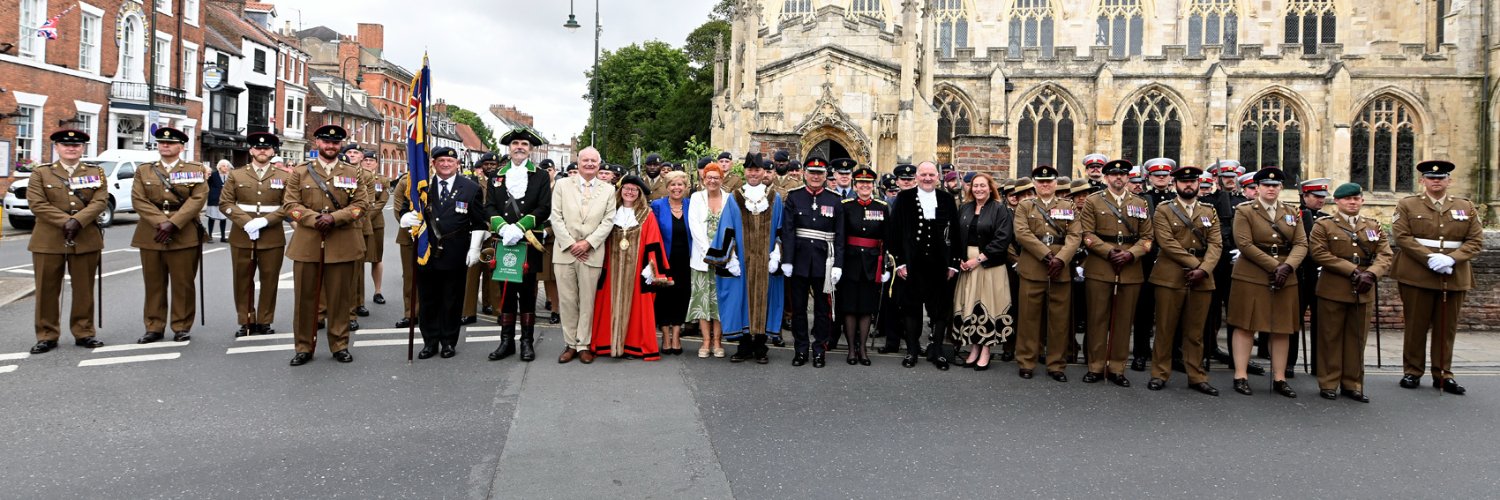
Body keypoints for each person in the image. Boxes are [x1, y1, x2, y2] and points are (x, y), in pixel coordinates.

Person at [283, 124, 372, 366]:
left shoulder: (354, 173)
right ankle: (303, 346)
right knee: (304, 299)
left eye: (335, 142)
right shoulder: (300, 172)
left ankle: (339, 344)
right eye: (325, 142)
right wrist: (314, 219)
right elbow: (290, 204)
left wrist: (335, 218)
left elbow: (361, 204)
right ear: (317, 144)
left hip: (342, 242)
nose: (330, 146)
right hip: (307, 243)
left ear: (340, 145)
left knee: (340, 299)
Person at [1392, 160, 1483, 395]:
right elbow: (1402, 236)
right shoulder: (1408, 205)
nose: (1436, 181)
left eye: (1441, 178)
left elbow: (1475, 241)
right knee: (1415, 325)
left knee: (1447, 328)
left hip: (1453, 274)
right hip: (1417, 273)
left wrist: (1452, 259)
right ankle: (1412, 371)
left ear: (1448, 181)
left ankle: (1443, 374)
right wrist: (1430, 257)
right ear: (1422, 181)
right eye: (1431, 178)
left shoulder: (1465, 206)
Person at [399, 147, 487, 359]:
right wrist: (405, 219)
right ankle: (429, 342)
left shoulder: (471, 188)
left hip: (455, 250)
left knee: (452, 299)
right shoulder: (420, 186)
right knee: (428, 299)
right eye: (441, 161)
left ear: (458, 164)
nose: (446, 164)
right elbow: (404, 209)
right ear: (433, 164)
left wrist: (475, 248)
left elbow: (478, 222)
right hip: (426, 250)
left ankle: (448, 341)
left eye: (450, 160)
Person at [26, 129, 108, 354]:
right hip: (49, 239)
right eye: (65, 144)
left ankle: (84, 332)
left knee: (84, 289)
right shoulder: (41, 173)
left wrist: (78, 221)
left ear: (83, 148)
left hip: (85, 238)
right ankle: (46, 335)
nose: (71, 148)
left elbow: (100, 201)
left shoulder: (95, 172)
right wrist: (66, 221)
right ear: (57, 148)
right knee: (47, 290)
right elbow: (37, 203)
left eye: (77, 145)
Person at [1308, 183, 1392, 402]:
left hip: (1363, 287)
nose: (1352, 202)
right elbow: (1319, 253)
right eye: (1347, 199)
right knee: (1330, 337)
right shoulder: (1324, 225)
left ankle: (1352, 383)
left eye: (1356, 199)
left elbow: (1385, 254)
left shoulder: (1373, 226)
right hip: (1333, 286)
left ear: (1362, 201)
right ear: (1336, 202)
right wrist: (1352, 270)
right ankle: (1328, 382)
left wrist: (1372, 274)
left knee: (1357, 338)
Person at [1227, 167, 1306, 397]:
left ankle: (1279, 378)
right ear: (1258, 187)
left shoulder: (1292, 212)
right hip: (1252, 273)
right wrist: (1275, 267)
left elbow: (1301, 243)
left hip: (1285, 275)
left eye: (1275, 185)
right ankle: (1240, 375)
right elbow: (1244, 244)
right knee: (1245, 324)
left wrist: (1288, 266)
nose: (1271, 189)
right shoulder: (1245, 211)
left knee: (1282, 328)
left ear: (1281, 188)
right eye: (1266, 185)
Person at [1145, 166, 1222, 396]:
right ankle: (1159, 373)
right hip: (1171, 274)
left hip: (1202, 277)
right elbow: (1166, 242)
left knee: (1195, 331)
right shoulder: (1164, 210)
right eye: (1183, 182)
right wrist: (1196, 265)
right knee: (1165, 329)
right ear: (1174, 184)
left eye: (1192, 181)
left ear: (1199, 184)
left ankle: (1196, 375)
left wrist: (1205, 269)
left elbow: (1216, 244)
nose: (1188, 185)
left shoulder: (1210, 211)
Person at [1078, 159, 1152, 387]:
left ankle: (1118, 367)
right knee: (1098, 318)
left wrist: (1132, 254)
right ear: (1106, 178)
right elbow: (1087, 234)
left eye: (1122, 175)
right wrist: (1110, 252)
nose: (1118, 178)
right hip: (1101, 265)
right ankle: (1096, 366)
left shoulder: (1140, 203)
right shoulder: (1093, 201)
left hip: (1130, 267)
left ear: (1128, 178)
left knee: (1123, 321)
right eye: (1113, 174)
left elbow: (1147, 237)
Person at [131, 127, 208, 344]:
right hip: (151, 232)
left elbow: (198, 199)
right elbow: (138, 199)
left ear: (181, 147)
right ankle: (154, 326)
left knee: (183, 283)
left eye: (171, 143)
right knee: (153, 283)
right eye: (162, 142)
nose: (165, 145)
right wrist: (161, 223)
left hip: (184, 232)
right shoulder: (144, 170)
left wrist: (173, 224)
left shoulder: (195, 170)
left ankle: (181, 326)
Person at [483, 127, 554, 362]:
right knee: (505, 293)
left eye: (524, 144)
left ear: (530, 149)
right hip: (503, 242)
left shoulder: (541, 176)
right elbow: (490, 206)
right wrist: (503, 228)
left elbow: (544, 207)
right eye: (515, 144)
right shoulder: (496, 176)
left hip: (528, 242)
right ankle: (506, 342)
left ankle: (526, 342)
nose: (519, 147)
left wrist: (519, 227)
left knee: (527, 293)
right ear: (509, 148)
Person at [887, 161, 959, 370]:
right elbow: (895, 233)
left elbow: (954, 233)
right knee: (911, 309)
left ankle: (936, 351)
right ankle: (912, 350)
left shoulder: (946, 199)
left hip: (939, 265)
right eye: (923, 174)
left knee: (940, 311)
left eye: (931, 175)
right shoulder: (904, 198)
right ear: (917, 177)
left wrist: (953, 264)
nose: (927, 178)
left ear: (938, 177)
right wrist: (899, 263)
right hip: (912, 264)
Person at [587, 175, 667, 360]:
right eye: (626, 188)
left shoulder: (646, 215)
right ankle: (604, 343)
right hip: (610, 267)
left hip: (637, 268)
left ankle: (632, 345)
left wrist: (652, 267)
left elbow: (654, 241)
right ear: (620, 190)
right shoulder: (610, 212)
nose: (629, 192)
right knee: (605, 303)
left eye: (634, 189)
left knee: (638, 307)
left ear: (639, 193)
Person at [1012, 165, 1080, 381]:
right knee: (1028, 318)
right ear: (1034, 183)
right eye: (1041, 181)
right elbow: (1022, 233)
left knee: (1059, 321)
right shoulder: (1025, 206)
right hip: (1033, 265)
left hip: (1061, 268)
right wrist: (1045, 254)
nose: (1045, 184)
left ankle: (1056, 364)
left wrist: (1061, 258)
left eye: (1049, 181)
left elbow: (1075, 235)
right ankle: (1026, 361)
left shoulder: (1069, 206)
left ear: (1056, 183)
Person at [552, 147, 617, 364]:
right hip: (564, 252)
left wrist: (588, 243)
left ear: (599, 164)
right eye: (585, 160)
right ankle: (570, 344)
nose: (589, 164)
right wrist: (572, 244)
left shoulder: (608, 190)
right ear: (578, 163)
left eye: (593, 161)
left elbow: (608, 221)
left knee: (588, 301)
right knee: (568, 301)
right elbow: (556, 217)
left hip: (592, 252)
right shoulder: (562, 185)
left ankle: (584, 344)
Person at [221, 132, 290, 337]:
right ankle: (246, 320)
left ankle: (265, 320)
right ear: (251, 150)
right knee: (242, 280)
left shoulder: (285, 177)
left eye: (267, 148)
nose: (262, 151)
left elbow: (289, 205)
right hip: (242, 235)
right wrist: (246, 222)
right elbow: (225, 203)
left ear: (273, 151)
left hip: (272, 236)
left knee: (270, 280)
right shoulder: (237, 175)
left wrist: (265, 220)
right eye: (258, 148)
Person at [719, 154, 786, 364]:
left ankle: (761, 347)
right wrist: (730, 257)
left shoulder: (775, 197)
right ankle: (744, 346)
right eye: (750, 170)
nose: (753, 173)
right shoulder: (734, 197)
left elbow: (781, 229)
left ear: (763, 172)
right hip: (743, 261)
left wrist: (777, 253)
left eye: (757, 170)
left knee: (766, 299)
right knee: (742, 301)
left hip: (766, 261)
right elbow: (727, 227)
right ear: (745, 172)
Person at [779, 156, 845, 367]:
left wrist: (838, 264)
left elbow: (841, 235)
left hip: (824, 262)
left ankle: (819, 350)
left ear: (826, 176)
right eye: (812, 172)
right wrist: (787, 260)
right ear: (805, 174)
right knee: (798, 309)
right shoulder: (794, 197)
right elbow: (788, 231)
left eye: (820, 173)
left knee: (822, 311)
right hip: (799, 261)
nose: (816, 177)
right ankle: (800, 350)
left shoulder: (834, 200)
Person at [950, 173, 1013, 371]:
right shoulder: (965, 208)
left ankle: (986, 350)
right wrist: (959, 258)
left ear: (990, 187)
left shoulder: (1000, 209)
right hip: (967, 263)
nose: (978, 189)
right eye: (975, 186)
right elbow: (956, 235)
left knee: (988, 305)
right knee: (969, 305)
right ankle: (974, 348)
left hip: (988, 264)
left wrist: (978, 260)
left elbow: (1002, 239)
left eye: (982, 186)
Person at [829, 165, 884, 365]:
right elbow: (840, 236)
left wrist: (885, 266)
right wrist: (838, 264)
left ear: (872, 185)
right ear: (855, 184)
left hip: (871, 264)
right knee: (850, 307)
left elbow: (886, 239)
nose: (864, 186)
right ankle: (851, 349)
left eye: (868, 183)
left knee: (866, 308)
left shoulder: (882, 206)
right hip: (850, 262)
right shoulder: (845, 205)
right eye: (861, 183)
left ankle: (863, 349)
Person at [1132, 157, 1176, 372]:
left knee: (1171, 310)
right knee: (1144, 308)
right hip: (1148, 259)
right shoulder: (1142, 200)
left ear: (1170, 178)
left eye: (1164, 175)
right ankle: (1141, 353)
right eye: (1156, 175)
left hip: (1173, 260)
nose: (1161, 178)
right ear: (1149, 177)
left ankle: (1171, 354)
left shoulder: (1177, 200)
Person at [687, 163, 731, 358]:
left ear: (722, 179)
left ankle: (717, 342)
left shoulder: (730, 199)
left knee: (719, 301)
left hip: (724, 258)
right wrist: (709, 252)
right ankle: (705, 342)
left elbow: (732, 227)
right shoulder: (696, 198)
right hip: (702, 258)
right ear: (703, 179)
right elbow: (694, 226)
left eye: (716, 177)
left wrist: (723, 253)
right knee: (703, 302)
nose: (712, 180)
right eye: (708, 177)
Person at [650, 171, 693, 355]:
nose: (676, 188)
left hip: (686, 260)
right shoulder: (658, 205)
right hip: (663, 260)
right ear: (667, 187)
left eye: (680, 185)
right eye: (672, 185)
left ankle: (676, 336)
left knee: (682, 296)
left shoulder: (692, 205)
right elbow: (651, 232)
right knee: (664, 298)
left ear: (686, 187)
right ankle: (665, 336)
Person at [876, 164, 916, 355]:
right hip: (895, 259)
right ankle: (892, 341)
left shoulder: (921, 200)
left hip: (916, 260)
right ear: (898, 181)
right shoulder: (892, 202)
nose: (907, 182)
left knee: (913, 304)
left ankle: (912, 343)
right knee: (891, 302)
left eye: (910, 179)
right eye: (903, 180)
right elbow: (888, 233)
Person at [355, 153, 390, 321]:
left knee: (376, 258)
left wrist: (367, 215)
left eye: (372, 161)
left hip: (375, 223)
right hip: (359, 222)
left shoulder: (382, 180)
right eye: (366, 160)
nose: (368, 163)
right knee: (358, 258)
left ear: (376, 164)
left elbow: (382, 202)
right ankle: (357, 298)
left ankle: (378, 291)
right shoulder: (355, 175)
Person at [392, 170, 419, 329]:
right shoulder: (404, 181)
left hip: (434, 235)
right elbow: (397, 210)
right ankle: (411, 313)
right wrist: (411, 225)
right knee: (410, 277)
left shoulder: (438, 179)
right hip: (409, 235)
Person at [537, 158, 562, 325]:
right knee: (536, 276)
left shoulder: (559, 189)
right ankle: (534, 308)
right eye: (544, 170)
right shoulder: (536, 187)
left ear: (555, 171)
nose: (547, 173)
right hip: (534, 234)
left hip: (553, 237)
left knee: (552, 277)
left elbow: (563, 214)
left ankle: (555, 309)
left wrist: (548, 231)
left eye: (550, 170)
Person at [205, 160, 230, 243]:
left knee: (223, 218)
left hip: (224, 200)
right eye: (224, 166)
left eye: (227, 166)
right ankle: (210, 236)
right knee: (211, 218)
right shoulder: (213, 175)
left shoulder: (229, 176)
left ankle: (223, 237)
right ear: (219, 167)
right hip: (214, 198)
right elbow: (207, 184)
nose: (226, 167)